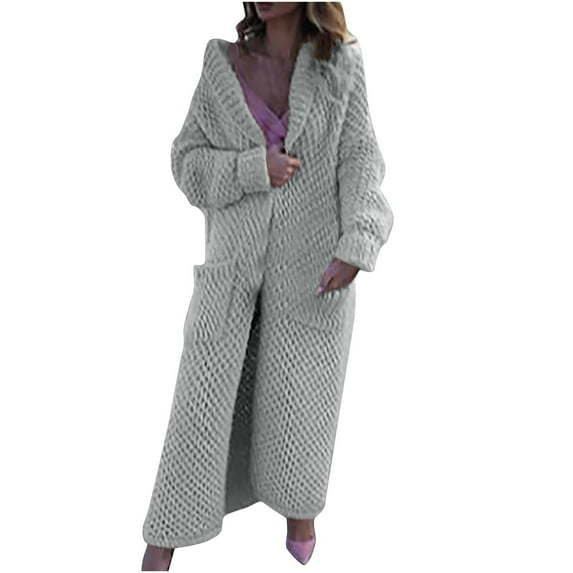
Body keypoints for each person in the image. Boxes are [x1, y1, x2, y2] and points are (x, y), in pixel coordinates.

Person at [141, 2, 394, 570]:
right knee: (200, 405)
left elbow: (360, 159)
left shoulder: (340, 65)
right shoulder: (222, 65)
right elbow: (186, 162)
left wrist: (358, 242)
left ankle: (298, 513)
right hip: (231, 275)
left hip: (311, 274)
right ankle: (164, 539)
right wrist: (254, 168)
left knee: (299, 406)